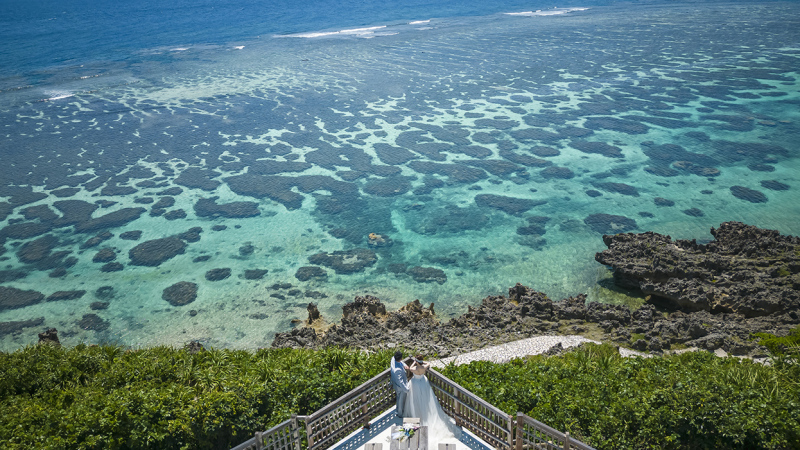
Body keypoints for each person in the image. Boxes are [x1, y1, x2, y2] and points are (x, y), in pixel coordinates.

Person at [402, 354, 462, 447]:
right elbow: (428, 363)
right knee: (426, 400)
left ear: (417, 361)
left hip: (415, 384)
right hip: (423, 383)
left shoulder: (414, 369)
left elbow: (410, 368)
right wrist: (421, 362)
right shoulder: (424, 367)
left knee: (415, 400)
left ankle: (417, 415)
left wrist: (414, 362)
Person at [390, 350, 409, 418]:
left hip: (396, 385)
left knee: (399, 399)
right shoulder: (397, 370)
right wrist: (406, 389)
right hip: (400, 388)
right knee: (401, 400)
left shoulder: (393, 359)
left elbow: (400, 362)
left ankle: (398, 411)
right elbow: (400, 382)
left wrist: (404, 364)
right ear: (401, 358)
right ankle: (400, 414)